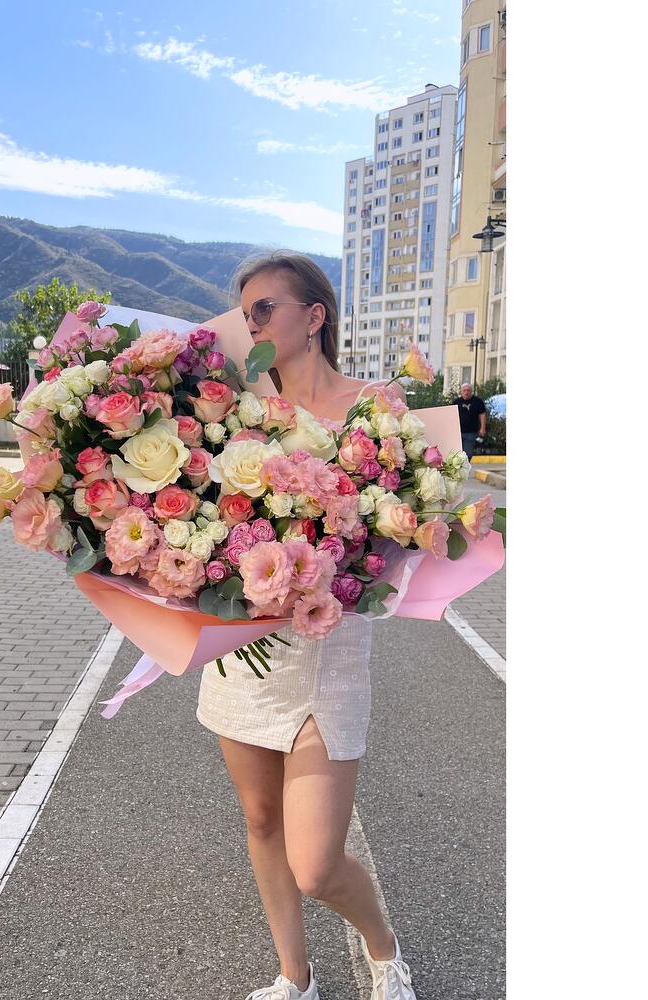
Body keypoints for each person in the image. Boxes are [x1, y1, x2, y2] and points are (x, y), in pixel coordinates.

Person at [196, 251, 418, 1000]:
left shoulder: (375, 410)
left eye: (264, 309)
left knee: (316, 864)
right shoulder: (236, 416)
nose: (250, 325)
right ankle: (296, 978)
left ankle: (384, 951)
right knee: (262, 820)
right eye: (244, 313)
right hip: (245, 653)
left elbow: (405, 522)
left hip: (330, 648)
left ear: (314, 316)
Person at [456, 382, 487, 460]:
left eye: (468, 390)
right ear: (461, 392)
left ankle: (465, 466)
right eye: (464, 390)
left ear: (471, 391)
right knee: (458, 453)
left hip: (471, 432)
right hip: (458, 432)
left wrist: (483, 428)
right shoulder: (456, 402)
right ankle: (460, 467)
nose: (466, 392)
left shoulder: (477, 401)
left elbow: (482, 414)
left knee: (468, 454)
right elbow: (451, 415)